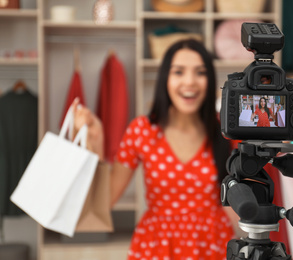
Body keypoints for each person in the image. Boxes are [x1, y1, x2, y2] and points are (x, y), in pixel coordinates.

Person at [72, 39, 236, 260]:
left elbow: (240, 207)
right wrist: (96, 143)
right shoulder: (142, 130)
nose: (189, 82)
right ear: (165, 79)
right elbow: (104, 201)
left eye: (200, 73)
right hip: (157, 246)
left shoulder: (225, 132)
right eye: (178, 72)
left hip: (213, 245)